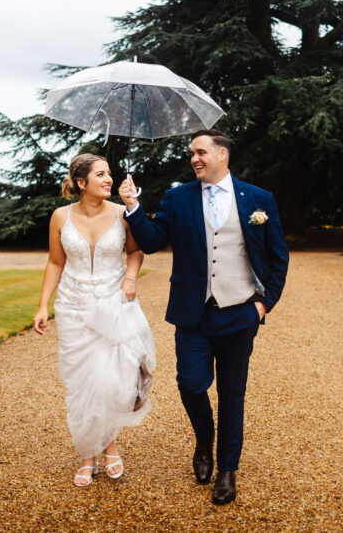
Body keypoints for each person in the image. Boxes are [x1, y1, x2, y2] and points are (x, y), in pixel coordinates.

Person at [119, 129, 289, 505]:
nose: (194, 159)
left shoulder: (259, 199)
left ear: (222, 154)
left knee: (232, 394)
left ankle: (227, 471)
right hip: (192, 315)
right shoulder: (176, 197)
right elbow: (151, 240)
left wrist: (263, 305)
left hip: (240, 314)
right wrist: (132, 207)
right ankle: (203, 440)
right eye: (191, 154)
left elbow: (279, 257)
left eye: (200, 152)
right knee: (191, 385)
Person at [34, 153, 156, 487]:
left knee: (110, 381)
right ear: (81, 182)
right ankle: (88, 455)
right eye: (101, 174)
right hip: (73, 307)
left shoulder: (122, 213)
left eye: (110, 174)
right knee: (82, 384)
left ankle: (108, 446)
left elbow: (135, 251)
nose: (109, 179)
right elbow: (55, 263)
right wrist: (43, 305)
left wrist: (130, 278)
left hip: (113, 303)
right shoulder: (60, 216)